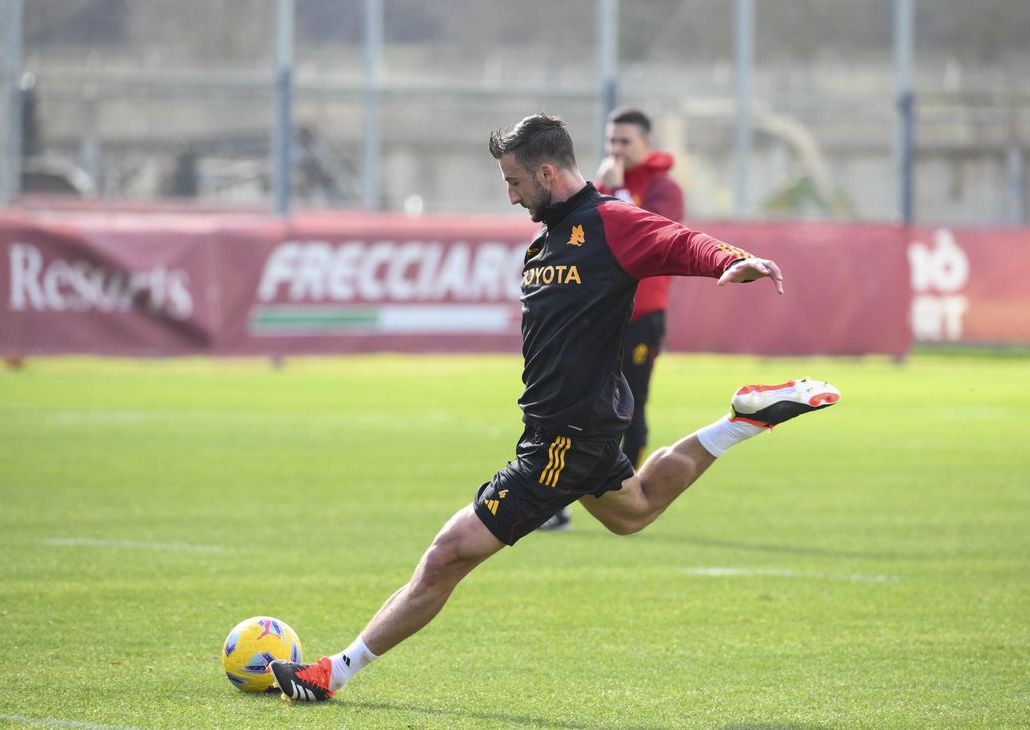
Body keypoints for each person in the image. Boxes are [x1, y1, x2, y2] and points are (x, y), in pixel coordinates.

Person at [269, 113, 840, 703]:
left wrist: (729, 261)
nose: (511, 195)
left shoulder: (611, 221)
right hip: (572, 429)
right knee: (634, 510)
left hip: (562, 439)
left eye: (514, 182)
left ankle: (330, 675)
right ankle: (742, 420)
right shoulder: (546, 238)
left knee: (447, 555)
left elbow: (678, 240)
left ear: (546, 171)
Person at [540, 107, 683, 532]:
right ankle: (557, 502)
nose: (616, 150)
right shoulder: (599, 186)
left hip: (641, 315)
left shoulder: (663, 189)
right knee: (571, 407)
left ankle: (630, 496)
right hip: (595, 320)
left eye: (625, 142)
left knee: (630, 407)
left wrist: (616, 188)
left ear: (646, 144)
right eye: (611, 142)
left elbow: (650, 237)